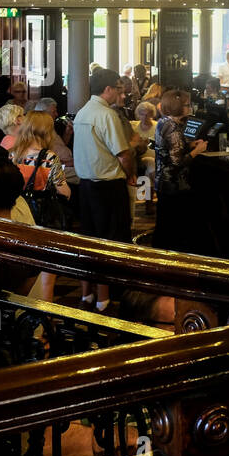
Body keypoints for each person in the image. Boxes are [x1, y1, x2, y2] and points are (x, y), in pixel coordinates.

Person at [74, 67, 137, 312]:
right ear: (108, 89)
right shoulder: (106, 114)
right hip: (109, 187)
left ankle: (87, 295)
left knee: (89, 241)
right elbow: (122, 154)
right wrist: (131, 173)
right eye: (118, 89)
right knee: (112, 243)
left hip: (86, 187)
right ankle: (107, 298)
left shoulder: (82, 112)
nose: (120, 94)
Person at [153, 89, 207, 252]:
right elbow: (177, 163)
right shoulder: (174, 129)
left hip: (162, 180)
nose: (189, 107)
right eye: (187, 105)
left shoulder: (164, 122)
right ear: (178, 107)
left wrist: (188, 145)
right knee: (173, 227)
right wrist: (197, 151)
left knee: (164, 223)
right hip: (173, 184)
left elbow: (167, 149)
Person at [10, 111, 71, 199]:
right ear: (47, 131)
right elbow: (65, 193)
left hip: (16, 207)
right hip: (38, 209)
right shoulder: (49, 158)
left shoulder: (12, 154)